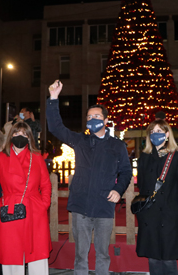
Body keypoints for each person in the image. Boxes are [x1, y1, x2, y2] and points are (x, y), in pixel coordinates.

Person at [46, 80, 132, 275]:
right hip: (81, 207)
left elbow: (126, 172)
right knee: (80, 254)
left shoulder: (117, 146)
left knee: (103, 254)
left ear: (105, 120)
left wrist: (118, 190)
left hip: (104, 207)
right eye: (89, 116)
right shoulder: (80, 141)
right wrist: (53, 98)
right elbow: (56, 128)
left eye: (96, 116)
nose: (92, 119)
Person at [0, 121, 52, 275]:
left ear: (29, 138)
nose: (19, 136)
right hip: (9, 209)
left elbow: (46, 185)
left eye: (24, 134)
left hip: (35, 210)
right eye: (16, 133)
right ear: (11, 136)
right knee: (11, 255)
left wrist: (43, 205)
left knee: (38, 257)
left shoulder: (36, 158)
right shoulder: (0, 158)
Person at [135, 119, 178, 275]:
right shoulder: (144, 157)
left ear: (167, 134)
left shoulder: (176, 157)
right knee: (152, 255)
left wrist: (173, 205)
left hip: (168, 212)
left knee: (168, 256)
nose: (155, 134)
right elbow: (142, 184)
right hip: (149, 213)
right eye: (152, 132)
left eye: (159, 131)